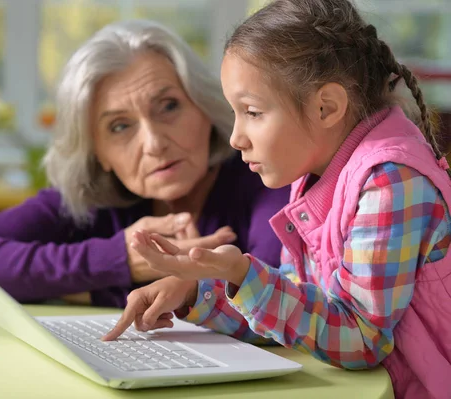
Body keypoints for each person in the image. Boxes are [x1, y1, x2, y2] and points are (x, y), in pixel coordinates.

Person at [103, 2, 451, 398]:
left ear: (326, 107)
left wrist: (242, 274)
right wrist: (197, 290)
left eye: (252, 112)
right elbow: (303, 304)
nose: (236, 138)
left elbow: (359, 338)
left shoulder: (391, 182)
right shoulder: (315, 174)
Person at [0, 20, 290, 308]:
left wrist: (94, 291)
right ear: (96, 150)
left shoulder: (264, 175)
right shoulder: (91, 200)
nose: (154, 143)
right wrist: (119, 259)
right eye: (119, 126)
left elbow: (280, 299)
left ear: (204, 106)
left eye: (168, 106)